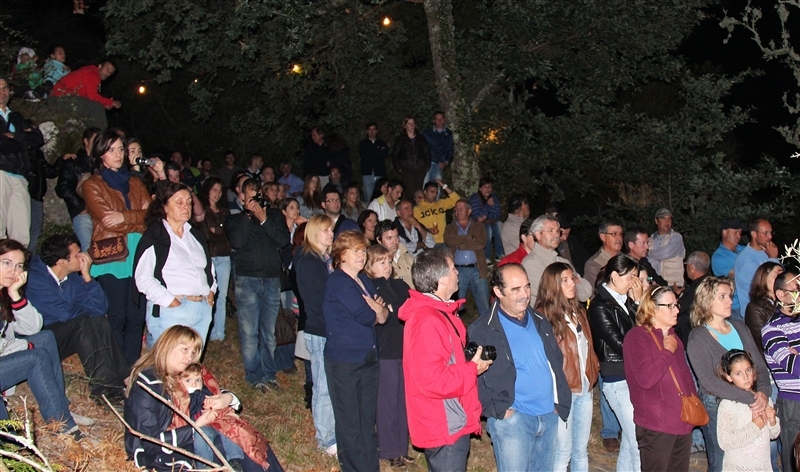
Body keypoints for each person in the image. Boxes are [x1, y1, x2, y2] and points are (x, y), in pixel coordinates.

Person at [123, 325, 283, 471]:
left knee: (243, 435)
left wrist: (228, 398)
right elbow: (150, 442)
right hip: (162, 450)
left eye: (193, 352)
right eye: (184, 349)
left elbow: (206, 391)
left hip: (189, 433)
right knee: (235, 445)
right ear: (167, 346)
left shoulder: (179, 373)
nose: (189, 357)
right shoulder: (148, 384)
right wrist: (196, 426)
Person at [467, 262, 570, 471]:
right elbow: (473, 375)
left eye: (527, 287)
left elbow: (556, 359)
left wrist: (558, 404)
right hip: (514, 420)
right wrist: (497, 410)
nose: (525, 294)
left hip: (548, 414)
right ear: (497, 291)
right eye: (516, 290)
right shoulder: (483, 329)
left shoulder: (539, 319)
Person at [399, 247, 491, 472]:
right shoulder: (428, 321)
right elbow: (432, 379)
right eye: (453, 269)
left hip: (449, 416)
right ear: (441, 280)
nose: (458, 273)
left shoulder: (439, 312)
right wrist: (472, 369)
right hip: (443, 423)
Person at [25, 234, 129, 404]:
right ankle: (103, 390)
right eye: (77, 255)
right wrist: (86, 311)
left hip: (69, 330)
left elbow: (100, 308)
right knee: (84, 322)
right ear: (61, 262)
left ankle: (125, 378)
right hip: (41, 339)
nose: (83, 257)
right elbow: (64, 313)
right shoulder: (35, 278)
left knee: (99, 320)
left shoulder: (71, 276)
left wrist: (87, 277)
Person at [0, 238, 86, 440]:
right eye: (7, 263)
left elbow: (32, 327)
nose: (13, 270)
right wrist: (23, 347)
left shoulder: (5, 294)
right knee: (35, 357)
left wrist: (15, 296)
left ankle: (60, 407)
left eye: (19, 265)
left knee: (45, 337)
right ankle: (62, 427)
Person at [686, 276, 772, 472]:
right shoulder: (699, 337)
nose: (730, 301)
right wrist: (750, 397)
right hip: (718, 405)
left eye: (730, 296)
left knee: (756, 454)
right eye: (722, 296)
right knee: (721, 459)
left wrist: (764, 393)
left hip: (751, 400)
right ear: (706, 300)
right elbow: (708, 381)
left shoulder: (740, 328)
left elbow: (759, 363)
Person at [83, 129, 150, 365]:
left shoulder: (135, 183)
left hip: (138, 254)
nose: (118, 154)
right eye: (111, 150)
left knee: (136, 317)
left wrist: (123, 217)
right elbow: (104, 218)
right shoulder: (92, 184)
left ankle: (131, 369)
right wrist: (134, 220)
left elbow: (150, 215)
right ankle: (117, 369)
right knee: (117, 316)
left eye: (121, 149)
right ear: (100, 153)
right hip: (113, 255)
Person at [322, 231, 388, 471]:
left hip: (368, 357)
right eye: (355, 251)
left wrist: (377, 311)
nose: (362, 255)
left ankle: (370, 467)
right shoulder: (338, 281)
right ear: (341, 255)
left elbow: (383, 316)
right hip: (345, 362)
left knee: (366, 419)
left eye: (363, 250)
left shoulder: (364, 280)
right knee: (350, 422)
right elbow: (366, 315)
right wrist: (375, 310)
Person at [226, 178, 290, 392]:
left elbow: (283, 240)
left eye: (258, 195)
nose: (255, 200)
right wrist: (247, 215)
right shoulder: (235, 219)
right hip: (248, 280)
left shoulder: (273, 216)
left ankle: (269, 373)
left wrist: (263, 218)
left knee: (269, 332)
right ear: (243, 197)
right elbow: (237, 242)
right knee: (249, 331)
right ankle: (254, 375)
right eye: (250, 196)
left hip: (271, 279)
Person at [624, 285, 697, 471]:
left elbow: (685, 374)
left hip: (682, 421)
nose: (677, 310)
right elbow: (646, 379)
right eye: (670, 306)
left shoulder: (674, 337)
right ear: (653, 309)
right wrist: (667, 351)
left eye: (677, 305)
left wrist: (693, 400)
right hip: (656, 425)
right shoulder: (637, 337)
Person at [134, 183, 216, 347]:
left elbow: (208, 269)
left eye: (188, 202)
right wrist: (171, 302)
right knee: (167, 368)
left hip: (202, 309)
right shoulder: (156, 236)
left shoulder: (195, 236)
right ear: (164, 207)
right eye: (179, 202)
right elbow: (143, 278)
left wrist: (211, 292)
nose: (186, 207)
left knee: (189, 368)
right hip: (172, 311)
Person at [535, 262, 599, 472]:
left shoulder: (578, 311)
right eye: (565, 280)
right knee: (562, 451)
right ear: (552, 284)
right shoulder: (542, 316)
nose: (572, 283)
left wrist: (592, 372)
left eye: (572, 278)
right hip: (562, 392)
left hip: (584, 388)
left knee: (581, 450)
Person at [587, 254, 644, 472]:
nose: (634, 283)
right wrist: (637, 303)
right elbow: (624, 345)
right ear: (614, 276)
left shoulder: (624, 301)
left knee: (631, 442)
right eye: (630, 277)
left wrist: (636, 302)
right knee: (638, 440)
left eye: (636, 278)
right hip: (617, 377)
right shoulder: (600, 306)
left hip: (632, 374)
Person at [364, 244, 413, 467]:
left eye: (387, 261)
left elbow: (406, 311)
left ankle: (402, 446)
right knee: (387, 402)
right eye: (380, 262)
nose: (386, 266)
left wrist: (392, 311)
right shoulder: (370, 287)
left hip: (404, 347)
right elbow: (387, 317)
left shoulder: (399, 284)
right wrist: (391, 312)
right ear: (369, 266)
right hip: (385, 350)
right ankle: (390, 449)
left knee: (403, 400)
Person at [292, 214, 337, 455]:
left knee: (329, 382)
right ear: (313, 233)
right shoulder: (309, 262)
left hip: (328, 328)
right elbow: (316, 301)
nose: (331, 234)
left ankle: (332, 431)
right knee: (323, 385)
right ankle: (326, 438)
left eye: (331, 230)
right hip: (320, 330)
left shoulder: (325, 260)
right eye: (326, 230)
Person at [761, 269, 800, 472]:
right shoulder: (772, 329)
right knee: (794, 460)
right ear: (780, 295)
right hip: (793, 403)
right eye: (796, 288)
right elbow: (794, 366)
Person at [717, 349, 780, 471]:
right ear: (729, 377)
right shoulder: (728, 404)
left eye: (748, 370)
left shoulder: (763, 399)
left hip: (762, 467)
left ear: (754, 371)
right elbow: (725, 442)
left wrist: (772, 422)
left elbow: (774, 435)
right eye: (738, 374)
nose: (745, 377)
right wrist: (754, 427)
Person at [0, 76, 43, 246]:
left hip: (19, 176)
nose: (2, 91)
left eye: (4, 87)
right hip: (1, 173)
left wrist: (15, 136)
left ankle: (19, 268)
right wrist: (22, 141)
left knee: (22, 233)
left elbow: (37, 138)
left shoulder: (16, 116)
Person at [179, 363, 247, 468]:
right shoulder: (182, 398)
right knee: (201, 436)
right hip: (201, 425)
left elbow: (218, 395)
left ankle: (235, 461)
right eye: (188, 380)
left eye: (198, 380)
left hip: (216, 421)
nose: (194, 384)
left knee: (228, 428)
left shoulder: (205, 391)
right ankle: (205, 467)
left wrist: (222, 408)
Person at [522, 215, 592, 307]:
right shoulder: (530, 263)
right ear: (538, 234)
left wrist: (563, 285)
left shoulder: (563, 261)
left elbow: (586, 292)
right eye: (550, 230)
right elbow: (553, 295)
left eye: (558, 231)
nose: (556, 235)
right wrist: (574, 282)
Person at [194, 177, 232, 342]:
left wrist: (218, 229)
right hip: (207, 257)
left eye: (220, 190)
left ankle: (219, 333)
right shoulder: (201, 211)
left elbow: (228, 232)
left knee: (221, 296)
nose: (217, 193)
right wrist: (218, 231)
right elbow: (205, 234)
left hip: (224, 256)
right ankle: (203, 331)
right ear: (207, 190)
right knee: (205, 294)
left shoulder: (225, 211)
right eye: (214, 189)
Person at [56, 126, 100, 251]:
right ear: (86, 141)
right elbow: (62, 188)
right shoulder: (73, 162)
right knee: (89, 250)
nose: (98, 144)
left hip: (101, 212)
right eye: (95, 140)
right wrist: (80, 207)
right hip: (83, 215)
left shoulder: (102, 163)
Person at [444, 199, 490, 317]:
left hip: (477, 269)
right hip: (458, 271)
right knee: (456, 305)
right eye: (456, 208)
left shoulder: (478, 226)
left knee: (484, 304)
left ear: (469, 211)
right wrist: (469, 237)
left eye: (461, 208)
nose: (458, 211)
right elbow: (449, 240)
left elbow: (481, 243)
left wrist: (461, 245)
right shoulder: (450, 227)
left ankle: (488, 331)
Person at [734, 218, 780, 315]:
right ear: (754, 234)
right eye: (766, 233)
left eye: (771, 232)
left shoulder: (766, 252)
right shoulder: (745, 259)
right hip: (755, 314)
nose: (770, 236)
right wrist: (773, 259)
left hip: (769, 309)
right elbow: (763, 285)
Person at [744, 261, 784, 352]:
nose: (782, 280)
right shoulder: (754, 308)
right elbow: (764, 340)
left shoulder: (786, 303)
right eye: (777, 276)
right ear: (764, 278)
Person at [675, 251, 711, 346]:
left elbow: (680, 308)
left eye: (686, 264)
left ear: (691, 267)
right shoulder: (711, 283)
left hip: (692, 338)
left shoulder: (695, 288)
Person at [391, 116, 431, 201]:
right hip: (407, 169)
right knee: (409, 193)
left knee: (419, 192)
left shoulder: (421, 138)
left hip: (420, 169)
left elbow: (427, 152)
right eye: (409, 123)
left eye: (413, 123)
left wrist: (426, 165)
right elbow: (395, 155)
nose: (411, 125)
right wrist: (399, 169)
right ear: (405, 126)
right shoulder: (401, 139)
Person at [648, 207, 686, 287]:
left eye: (669, 219)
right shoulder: (649, 240)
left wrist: (648, 253)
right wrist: (649, 280)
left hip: (673, 285)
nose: (667, 222)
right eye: (663, 218)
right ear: (656, 221)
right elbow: (646, 264)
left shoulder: (676, 237)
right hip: (655, 284)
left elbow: (665, 254)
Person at [414, 179, 458, 247]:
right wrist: (427, 229)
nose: (434, 195)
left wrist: (443, 186)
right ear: (425, 192)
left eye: (436, 193)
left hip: (444, 241)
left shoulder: (440, 203)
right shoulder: (417, 209)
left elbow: (456, 200)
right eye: (432, 192)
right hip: (429, 243)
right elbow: (414, 226)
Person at [421, 111, 454, 195]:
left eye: (441, 118)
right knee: (425, 185)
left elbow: (450, 150)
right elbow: (421, 148)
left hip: (439, 164)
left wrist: (446, 162)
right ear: (434, 120)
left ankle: (435, 206)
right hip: (428, 163)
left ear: (444, 119)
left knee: (437, 186)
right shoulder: (427, 132)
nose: (440, 121)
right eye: (437, 119)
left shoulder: (448, 133)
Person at [584, 219, 624, 287]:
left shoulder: (627, 259)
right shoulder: (594, 264)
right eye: (614, 234)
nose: (619, 238)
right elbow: (602, 291)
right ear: (603, 237)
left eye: (621, 234)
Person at [376, 219, 415, 288]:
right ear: (379, 240)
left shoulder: (408, 257)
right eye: (389, 238)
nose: (395, 241)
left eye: (397, 237)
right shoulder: (377, 262)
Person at [359, 122, 389, 202]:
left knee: (382, 195)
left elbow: (384, 153)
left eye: (374, 129)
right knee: (369, 196)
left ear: (377, 131)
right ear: (366, 131)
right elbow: (364, 155)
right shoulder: (363, 143)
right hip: (367, 173)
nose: (372, 131)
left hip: (379, 172)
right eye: (370, 129)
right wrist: (377, 151)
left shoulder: (381, 142)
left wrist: (372, 152)